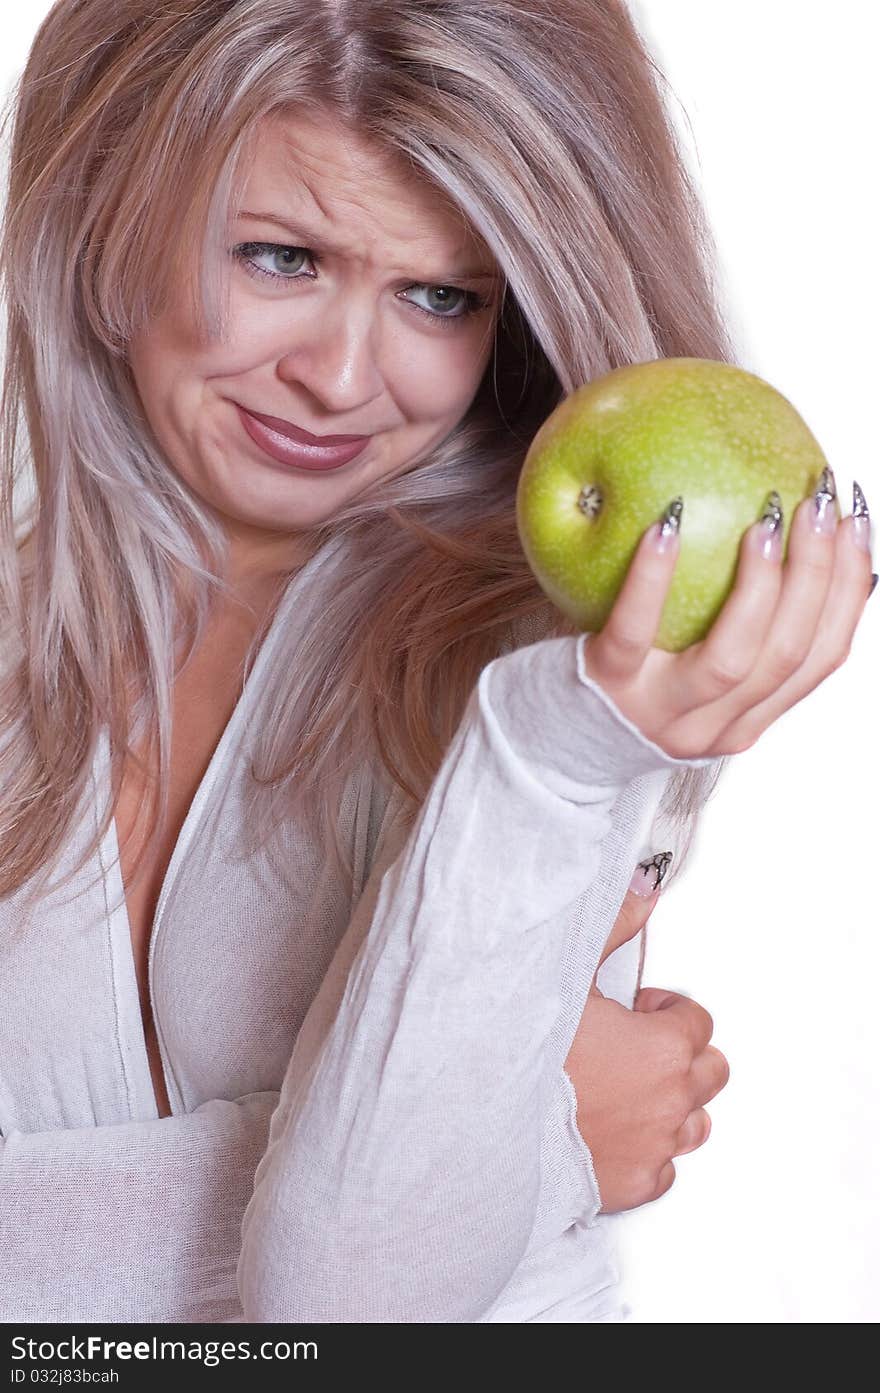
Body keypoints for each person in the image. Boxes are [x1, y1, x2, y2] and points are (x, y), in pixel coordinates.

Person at [0, 0, 870, 1324]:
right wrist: (539, 1139)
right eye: (282, 257)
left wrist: (557, 758)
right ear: (112, 207)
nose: (346, 377)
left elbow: (345, 1315)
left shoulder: (565, 664)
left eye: (440, 294)